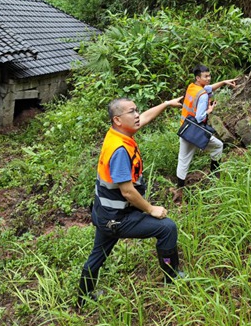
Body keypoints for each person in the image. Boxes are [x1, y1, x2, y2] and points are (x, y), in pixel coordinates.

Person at [77, 96, 185, 308]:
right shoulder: (119, 151)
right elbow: (127, 192)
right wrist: (151, 209)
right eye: (132, 112)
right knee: (167, 228)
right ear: (118, 120)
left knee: (97, 256)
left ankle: (82, 298)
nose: (137, 115)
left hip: (104, 213)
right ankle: (171, 277)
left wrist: (165, 105)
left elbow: (144, 118)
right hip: (118, 218)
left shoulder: (117, 134)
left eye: (136, 110)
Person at [174, 65, 237, 197]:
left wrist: (224, 82)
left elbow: (210, 87)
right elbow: (199, 117)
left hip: (185, 128)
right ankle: (215, 176)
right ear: (198, 77)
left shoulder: (192, 87)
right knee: (218, 146)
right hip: (195, 129)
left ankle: (179, 189)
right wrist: (209, 110)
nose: (208, 78)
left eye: (209, 75)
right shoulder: (202, 96)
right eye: (205, 76)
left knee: (183, 159)